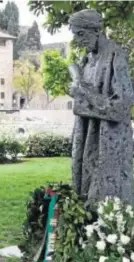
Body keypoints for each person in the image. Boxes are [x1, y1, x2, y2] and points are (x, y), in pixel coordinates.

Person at [68, 9, 134, 205]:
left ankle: (110, 233)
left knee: (108, 201)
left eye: (81, 34)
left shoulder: (116, 57)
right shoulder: (87, 60)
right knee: (85, 195)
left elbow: (122, 105)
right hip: (87, 139)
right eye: (75, 35)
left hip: (109, 143)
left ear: (96, 30)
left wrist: (83, 93)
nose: (78, 41)